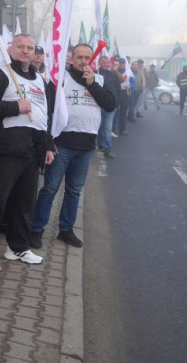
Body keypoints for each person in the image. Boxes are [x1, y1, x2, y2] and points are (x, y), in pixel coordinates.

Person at [0, 33, 55, 271]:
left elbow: (44, 115)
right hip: (9, 147)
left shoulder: (40, 79)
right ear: (11, 48)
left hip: (34, 148)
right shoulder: (0, 72)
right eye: (20, 46)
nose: (25, 51)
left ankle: (17, 247)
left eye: (30, 48)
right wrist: (15, 107)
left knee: (24, 202)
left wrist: (49, 145)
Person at [30, 43, 116, 249]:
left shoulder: (101, 80)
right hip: (62, 144)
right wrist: (49, 143)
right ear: (71, 58)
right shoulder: (60, 79)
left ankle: (66, 229)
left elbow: (110, 105)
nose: (83, 61)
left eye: (87, 58)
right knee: (50, 188)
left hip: (86, 146)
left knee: (74, 191)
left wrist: (92, 84)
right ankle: (36, 229)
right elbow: (47, 110)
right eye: (79, 57)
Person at [97, 56, 121, 159]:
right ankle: (96, 147)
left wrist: (116, 102)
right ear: (99, 63)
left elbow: (118, 87)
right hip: (98, 105)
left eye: (107, 62)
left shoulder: (112, 74)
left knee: (107, 128)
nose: (106, 64)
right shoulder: (95, 73)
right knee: (96, 127)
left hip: (110, 106)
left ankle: (108, 149)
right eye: (103, 62)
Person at [114, 58, 131, 133]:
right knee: (115, 111)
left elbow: (133, 81)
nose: (122, 64)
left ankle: (122, 129)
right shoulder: (114, 71)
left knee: (124, 111)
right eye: (120, 63)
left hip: (125, 92)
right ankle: (112, 129)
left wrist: (131, 86)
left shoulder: (128, 71)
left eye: (123, 63)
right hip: (117, 92)